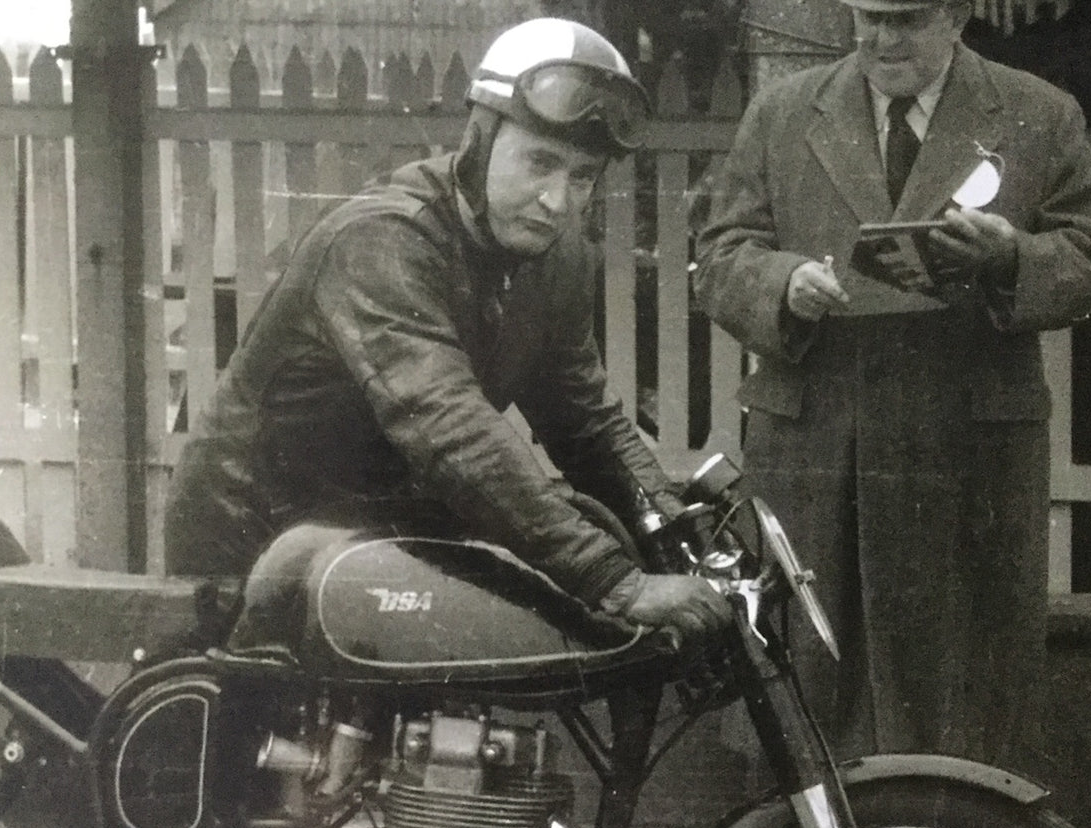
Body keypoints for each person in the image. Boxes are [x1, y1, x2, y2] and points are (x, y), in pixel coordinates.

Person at [165, 17, 730, 645]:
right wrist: (615, 581)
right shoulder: (384, 240)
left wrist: (677, 530)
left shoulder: (558, 256)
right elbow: (451, 429)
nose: (558, 201)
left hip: (375, 531)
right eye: (539, 162)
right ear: (480, 142)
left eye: (582, 177)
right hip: (254, 541)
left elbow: (585, 423)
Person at [694, 0, 1091, 768]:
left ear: (956, 17)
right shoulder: (783, 112)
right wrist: (781, 282)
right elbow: (720, 255)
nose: (882, 40)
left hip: (963, 442)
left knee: (965, 691)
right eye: (868, 18)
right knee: (811, 679)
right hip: (818, 439)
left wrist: (1011, 258)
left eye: (908, 20)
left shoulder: (1035, 112)